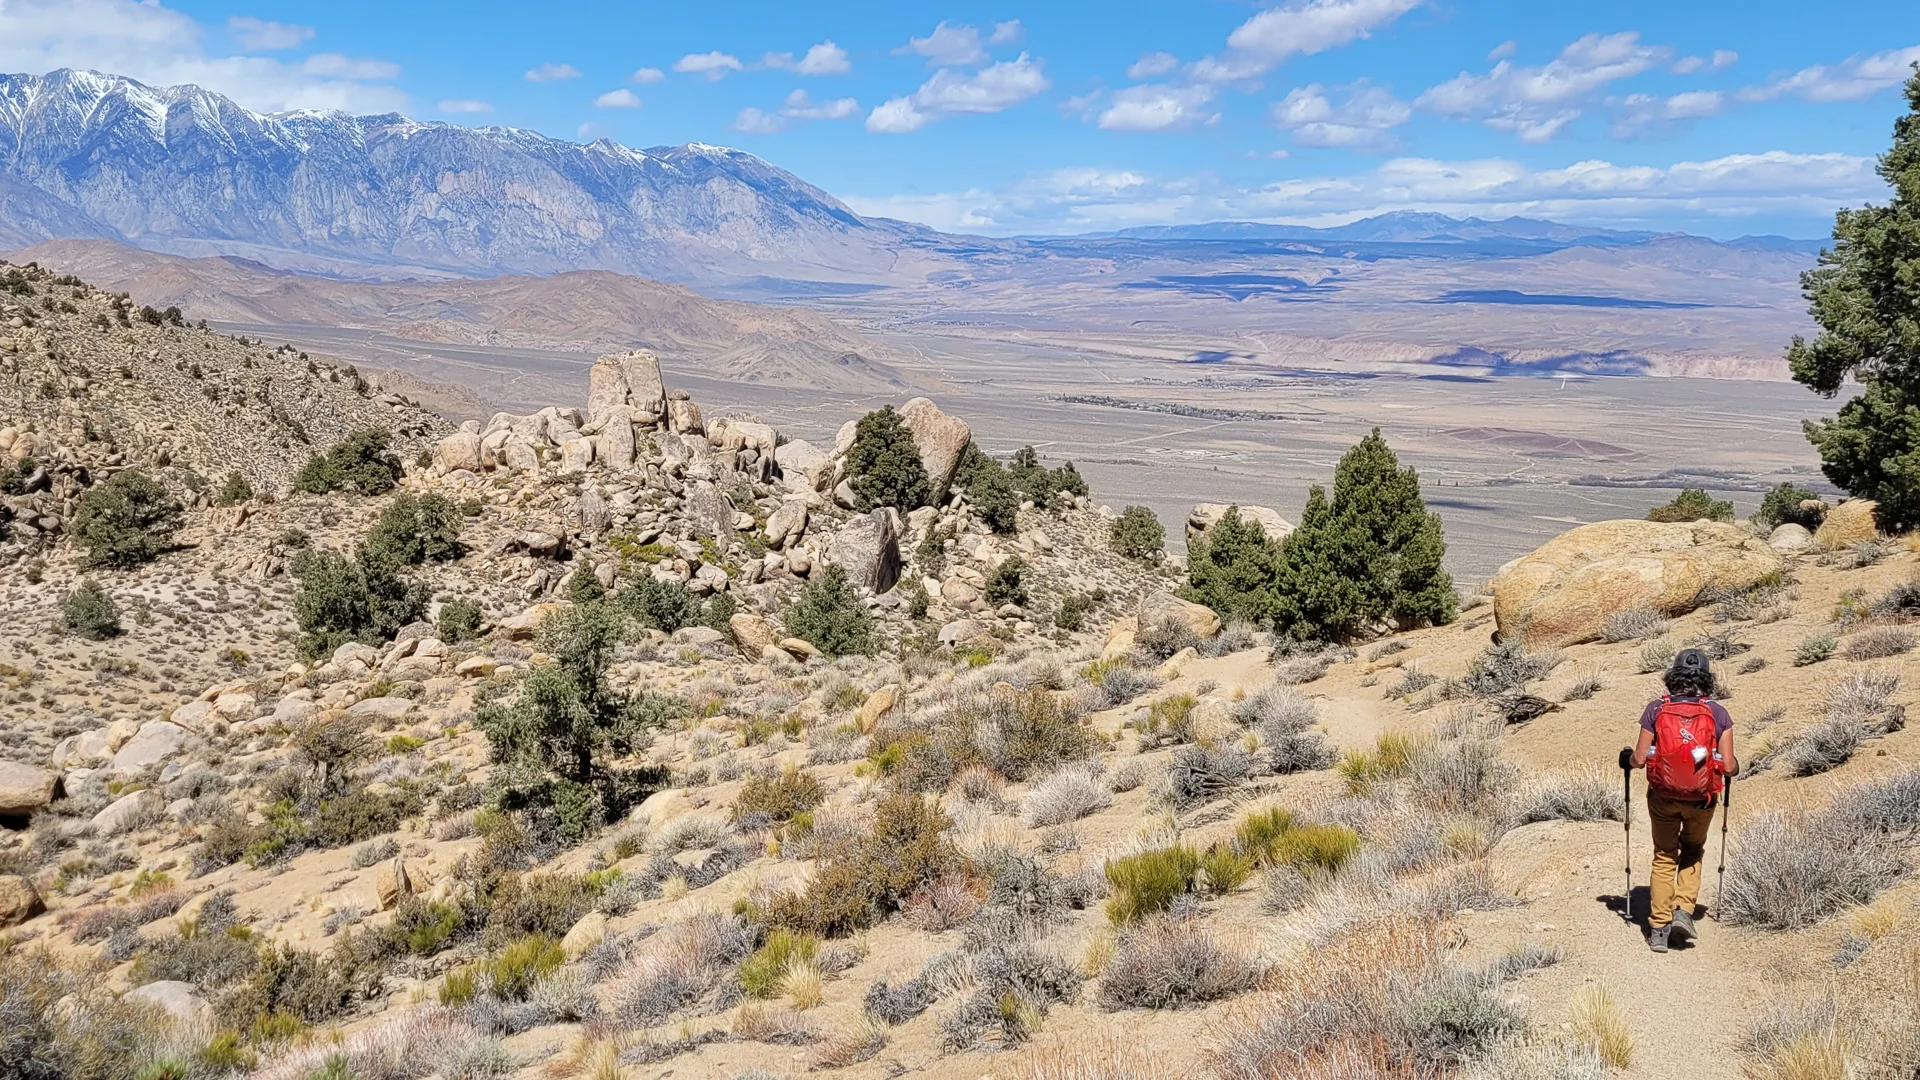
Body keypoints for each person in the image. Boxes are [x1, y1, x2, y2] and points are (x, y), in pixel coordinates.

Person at [1621, 648, 1738, 953]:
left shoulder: (1656, 709)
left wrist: (1627, 760)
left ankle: (1659, 929)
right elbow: (1728, 767)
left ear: (1673, 677)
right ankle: (1683, 910)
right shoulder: (1717, 713)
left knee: (1664, 855)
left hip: (1662, 796)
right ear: (1707, 678)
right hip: (1702, 798)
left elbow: (1638, 758)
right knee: (1693, 850)